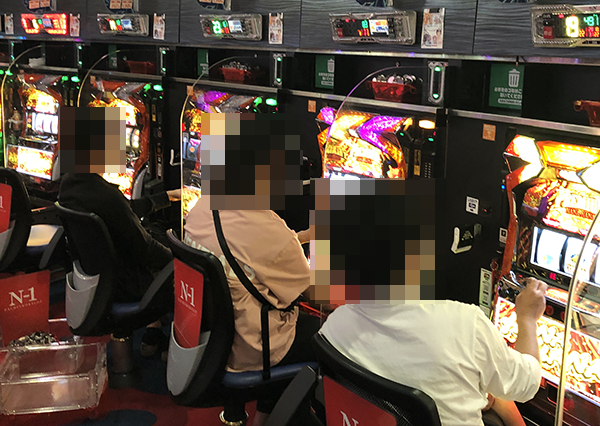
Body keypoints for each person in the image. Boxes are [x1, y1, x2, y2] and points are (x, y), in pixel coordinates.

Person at [183, 112, 320, 426]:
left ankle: (264, 414)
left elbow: (250, 252)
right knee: (326, 337)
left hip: (210, 338)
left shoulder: (203, 207)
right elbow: (312, 291)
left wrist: (300, 238)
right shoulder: (268, 229)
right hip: (253, 348)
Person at [320, 279, 547, 426]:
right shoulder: (465, 324)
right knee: (502, 397)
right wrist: (527, 318)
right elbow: (527, 385)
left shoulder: (333, 326)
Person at [58, 106, 180, 357]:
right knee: (183, 261)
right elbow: (145, 250)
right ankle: (177, 343)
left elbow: (120, 212)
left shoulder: (70, 184)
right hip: (125, 285)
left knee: (155, 231)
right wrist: (180, 260)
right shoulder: (107, 195)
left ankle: (153, 329)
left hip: (97, 278)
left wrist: (164, 198)